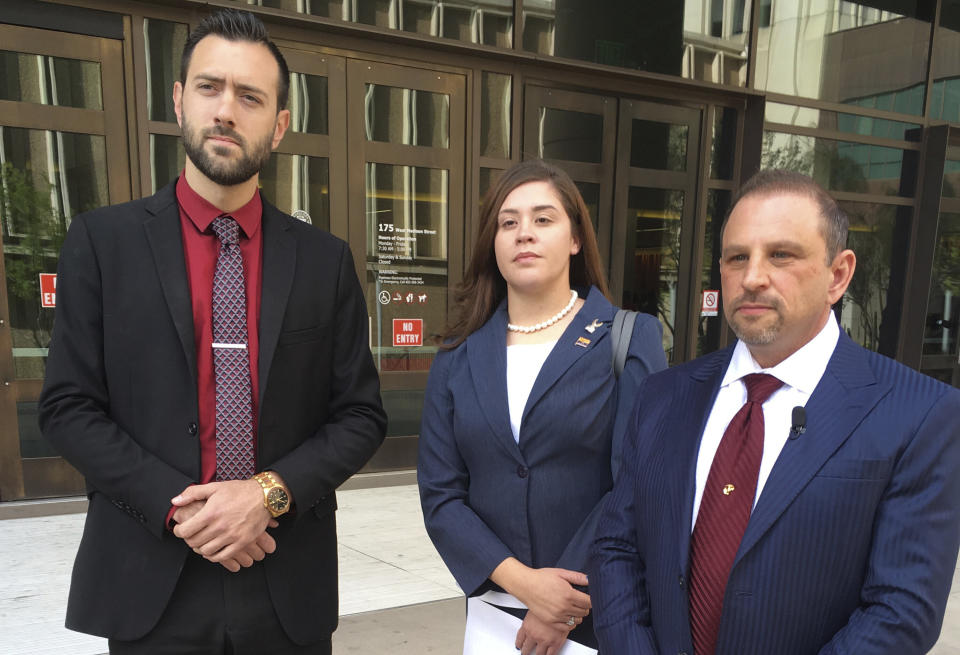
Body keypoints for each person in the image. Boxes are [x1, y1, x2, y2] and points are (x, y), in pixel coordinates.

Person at [38, 9, 386, 654]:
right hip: (150, 574)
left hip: (284, 571)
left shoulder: (323, 260)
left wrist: (266, 495)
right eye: (209, 87)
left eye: (250, 96)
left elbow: (361, 415)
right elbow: (66, 406)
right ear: (179, 100)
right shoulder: (102, 243)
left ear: (279, 125)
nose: (226, 110)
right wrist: (184, 510)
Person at [589, 169, 960, 655]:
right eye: (737, 257)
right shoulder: (664, 395)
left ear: (839, 274)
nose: (752, 277)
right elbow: (617, 547)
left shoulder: (918, 414)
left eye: (781, 255)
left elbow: (901, 611)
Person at [417, 159, 668, 654]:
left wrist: (562, 604)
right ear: (494, 242)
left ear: (575, 239)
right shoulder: (458, 353)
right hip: (495, 612)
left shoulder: (627, 337)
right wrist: (526, 586)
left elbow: (637, 482)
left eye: (543, 219)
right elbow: (441, 496)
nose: (523, 233)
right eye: (508, 222)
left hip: (599, 611)